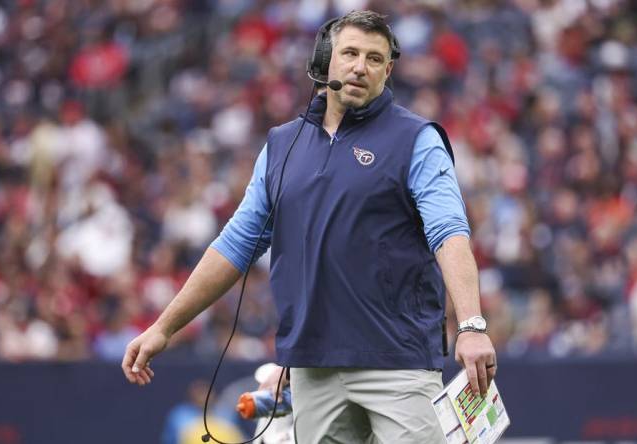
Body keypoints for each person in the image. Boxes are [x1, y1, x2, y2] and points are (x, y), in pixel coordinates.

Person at [122, 10, 497, 443]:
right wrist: (163, 327)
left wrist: (470, 325)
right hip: (312, 367)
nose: (360, 66)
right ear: (324, 61)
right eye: (350, 53)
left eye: (375, 59)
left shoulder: (417, 140)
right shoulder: (282, 145)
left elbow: (449, 234)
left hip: (398, 364)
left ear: (388, 71)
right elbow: (235, 245)